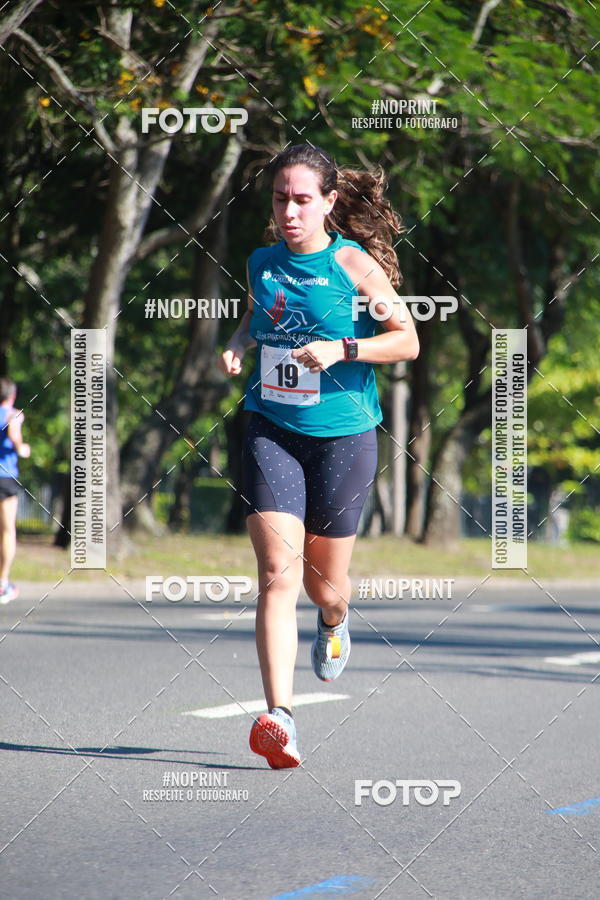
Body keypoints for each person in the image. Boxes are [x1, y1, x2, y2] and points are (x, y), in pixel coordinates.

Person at [218, 145, 419, 768]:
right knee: (277, 572)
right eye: (281, 199)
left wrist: (343, 349)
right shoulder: (261, 261)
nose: (289, 212)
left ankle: (333, 621)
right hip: (270, 427)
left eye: (303, 200)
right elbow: (256, 318)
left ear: (329, 201)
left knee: (323, 586)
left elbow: (407, 341)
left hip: (343, 435)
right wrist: (236, 344)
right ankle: (280, 717)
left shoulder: (352, 264)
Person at [0, 377, 30, 604]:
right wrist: (21, 447)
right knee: (7, 530)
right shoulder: (14, 414)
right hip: (5, 477)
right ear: (13, 396)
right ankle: (2, 583)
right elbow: (13, 434)